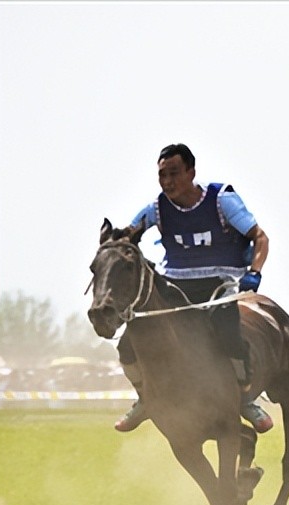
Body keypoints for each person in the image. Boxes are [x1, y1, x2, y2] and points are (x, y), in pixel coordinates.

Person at [113, 143, 274, 434]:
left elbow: (260, 237)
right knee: (128, 343)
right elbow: (127, 237)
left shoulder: (221, 201)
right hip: (176, 285)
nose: (167, 182)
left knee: (229, 335)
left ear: (191, 172)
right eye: (162, 175)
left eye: (174, 173)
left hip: (219, 284)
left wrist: (254, 273)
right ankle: (145, 398)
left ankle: (245, 399)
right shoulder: (156, 209)